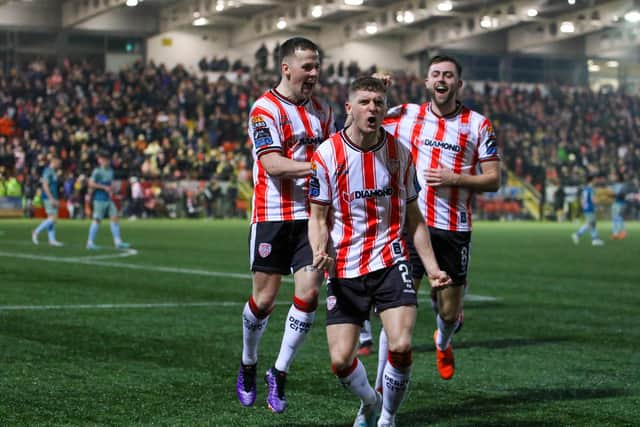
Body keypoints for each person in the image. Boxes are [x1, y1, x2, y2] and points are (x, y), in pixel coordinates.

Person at [308, 77, 451, 427]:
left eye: (379, 102)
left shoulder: (399, 154)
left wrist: (431, 267)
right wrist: (318, 249)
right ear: (349, 108)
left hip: (391, 259)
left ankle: (387, 418)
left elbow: (414, 219)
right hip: (344, 266)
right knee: (341, 360)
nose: (373, 108)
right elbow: (318, 216)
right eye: (365, 102)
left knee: (400, 345)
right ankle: (370, 402)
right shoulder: (327, 155)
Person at [379, 55, 501, 382]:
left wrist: (454, 178)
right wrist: (378, 93)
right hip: (410, 227)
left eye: (448, 75)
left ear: (458, 84)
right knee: (396, 313)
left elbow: (493, 179)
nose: (442, 80)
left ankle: (442, 339)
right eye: (436, 74)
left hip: (453, 230)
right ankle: (376, 398)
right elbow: (358, 127)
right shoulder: (405, 115)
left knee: (448, 312)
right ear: (427, 82)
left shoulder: (478, 124)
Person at [236, 36, 335, 414]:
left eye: (317, 66)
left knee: (308, 294)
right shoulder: (265, 109)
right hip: (272, 216)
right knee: (264, 301)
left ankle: (279, 371)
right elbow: (273, 165)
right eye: (307, 66)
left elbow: (337, 152)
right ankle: (248, 362)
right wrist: (318, 167)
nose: (313, 73)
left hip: (311, 216)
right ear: (286, 68)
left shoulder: (323, 111)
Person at [86, 150, 131, 250]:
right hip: (99, 199)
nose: (106, 162)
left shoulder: (110, 171)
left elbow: (109, 184)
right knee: (97, 220)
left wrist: (112, 189)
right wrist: (103, 187)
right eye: (104, 160)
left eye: (107, 160)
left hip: (108, 198)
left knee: (115, 218)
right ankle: (90, 242)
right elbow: (91, 183)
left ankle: (118, 242)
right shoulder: (97, 171)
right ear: (100, 161)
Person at [31, 155, 63, 246]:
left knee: (51, 218)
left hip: (53, 196)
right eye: (58, 162)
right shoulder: (48, 171)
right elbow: (45, 185)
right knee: (53, 218)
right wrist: (51, 198)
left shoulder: (53, 172)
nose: (59, 164)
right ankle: (36, 231)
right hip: (49, 197)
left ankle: (52, 240)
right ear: (54, 161)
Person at [572, 174, 604, 246]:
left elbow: (582, 199)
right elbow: (593, 200)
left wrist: (584, 206)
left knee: (592, 224)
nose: (596, 180)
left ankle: (595, 239)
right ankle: (578, 235)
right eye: (595, 179)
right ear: (592, 180)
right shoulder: (591, 189)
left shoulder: (585, 189)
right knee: (591, 223)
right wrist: (599, 206)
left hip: (586, 207)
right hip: (590, 207)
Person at [610, 172, 628, 240]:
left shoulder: (620, 186)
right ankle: (617, 233)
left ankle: (620, 232)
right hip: (619, 203)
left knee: (617, 218)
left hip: (619, 203)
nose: (613, 178)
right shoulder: (621, 185)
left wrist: (612, 194)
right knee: (617, 218)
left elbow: (621, 195)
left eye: (615, 176)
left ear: (618, 178)